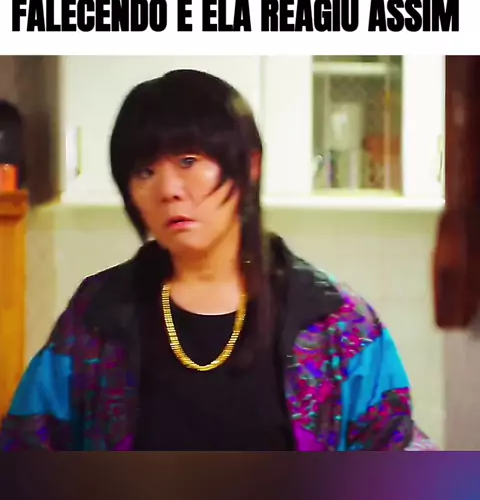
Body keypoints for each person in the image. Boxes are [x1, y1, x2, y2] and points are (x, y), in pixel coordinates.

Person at [0, 69, 438, 451]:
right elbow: (25, 447)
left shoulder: (335, 322)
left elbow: (397, 457)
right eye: (145, 171)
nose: (168, 189)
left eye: (189, 161)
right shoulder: (98, 315)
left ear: (250, 166)